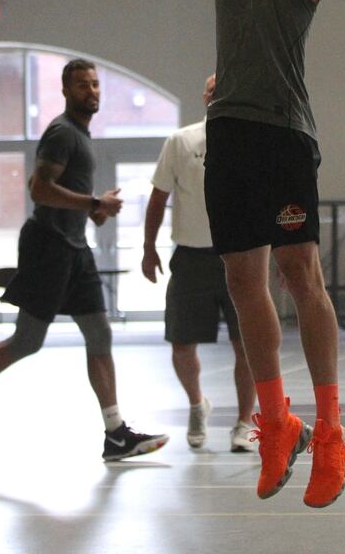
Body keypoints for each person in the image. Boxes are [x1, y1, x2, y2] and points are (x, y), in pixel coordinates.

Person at [154, 0, 345, 508]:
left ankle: (330, 429)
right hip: (231, 126)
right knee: (243, 283)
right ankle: (276, 423)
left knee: (300, 275)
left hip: (282, 131)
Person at [0, 58, 169, 463]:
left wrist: (92, 212)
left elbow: (61, 196)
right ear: (65, 90)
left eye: (95, 84)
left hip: (74, 246)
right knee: (26, 341)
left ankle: (116, 434)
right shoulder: (62, 133)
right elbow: (40, 189)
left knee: (100, 335)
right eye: (82, 85)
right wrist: (93, 201)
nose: (91, 91)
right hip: (48, 246)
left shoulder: (82, 136)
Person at [141, 72, 256, 452]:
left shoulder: (247, 141)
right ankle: (196, 404)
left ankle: (244, 422)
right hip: (190, 257)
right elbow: (158, 199)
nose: (214, 95)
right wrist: (148, 247)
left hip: (238, 256)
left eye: (221, 89)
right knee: (181, 342)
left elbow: (263, 201)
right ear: (204, 97)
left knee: (248, 344)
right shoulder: (181, 141)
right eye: (209, 90)